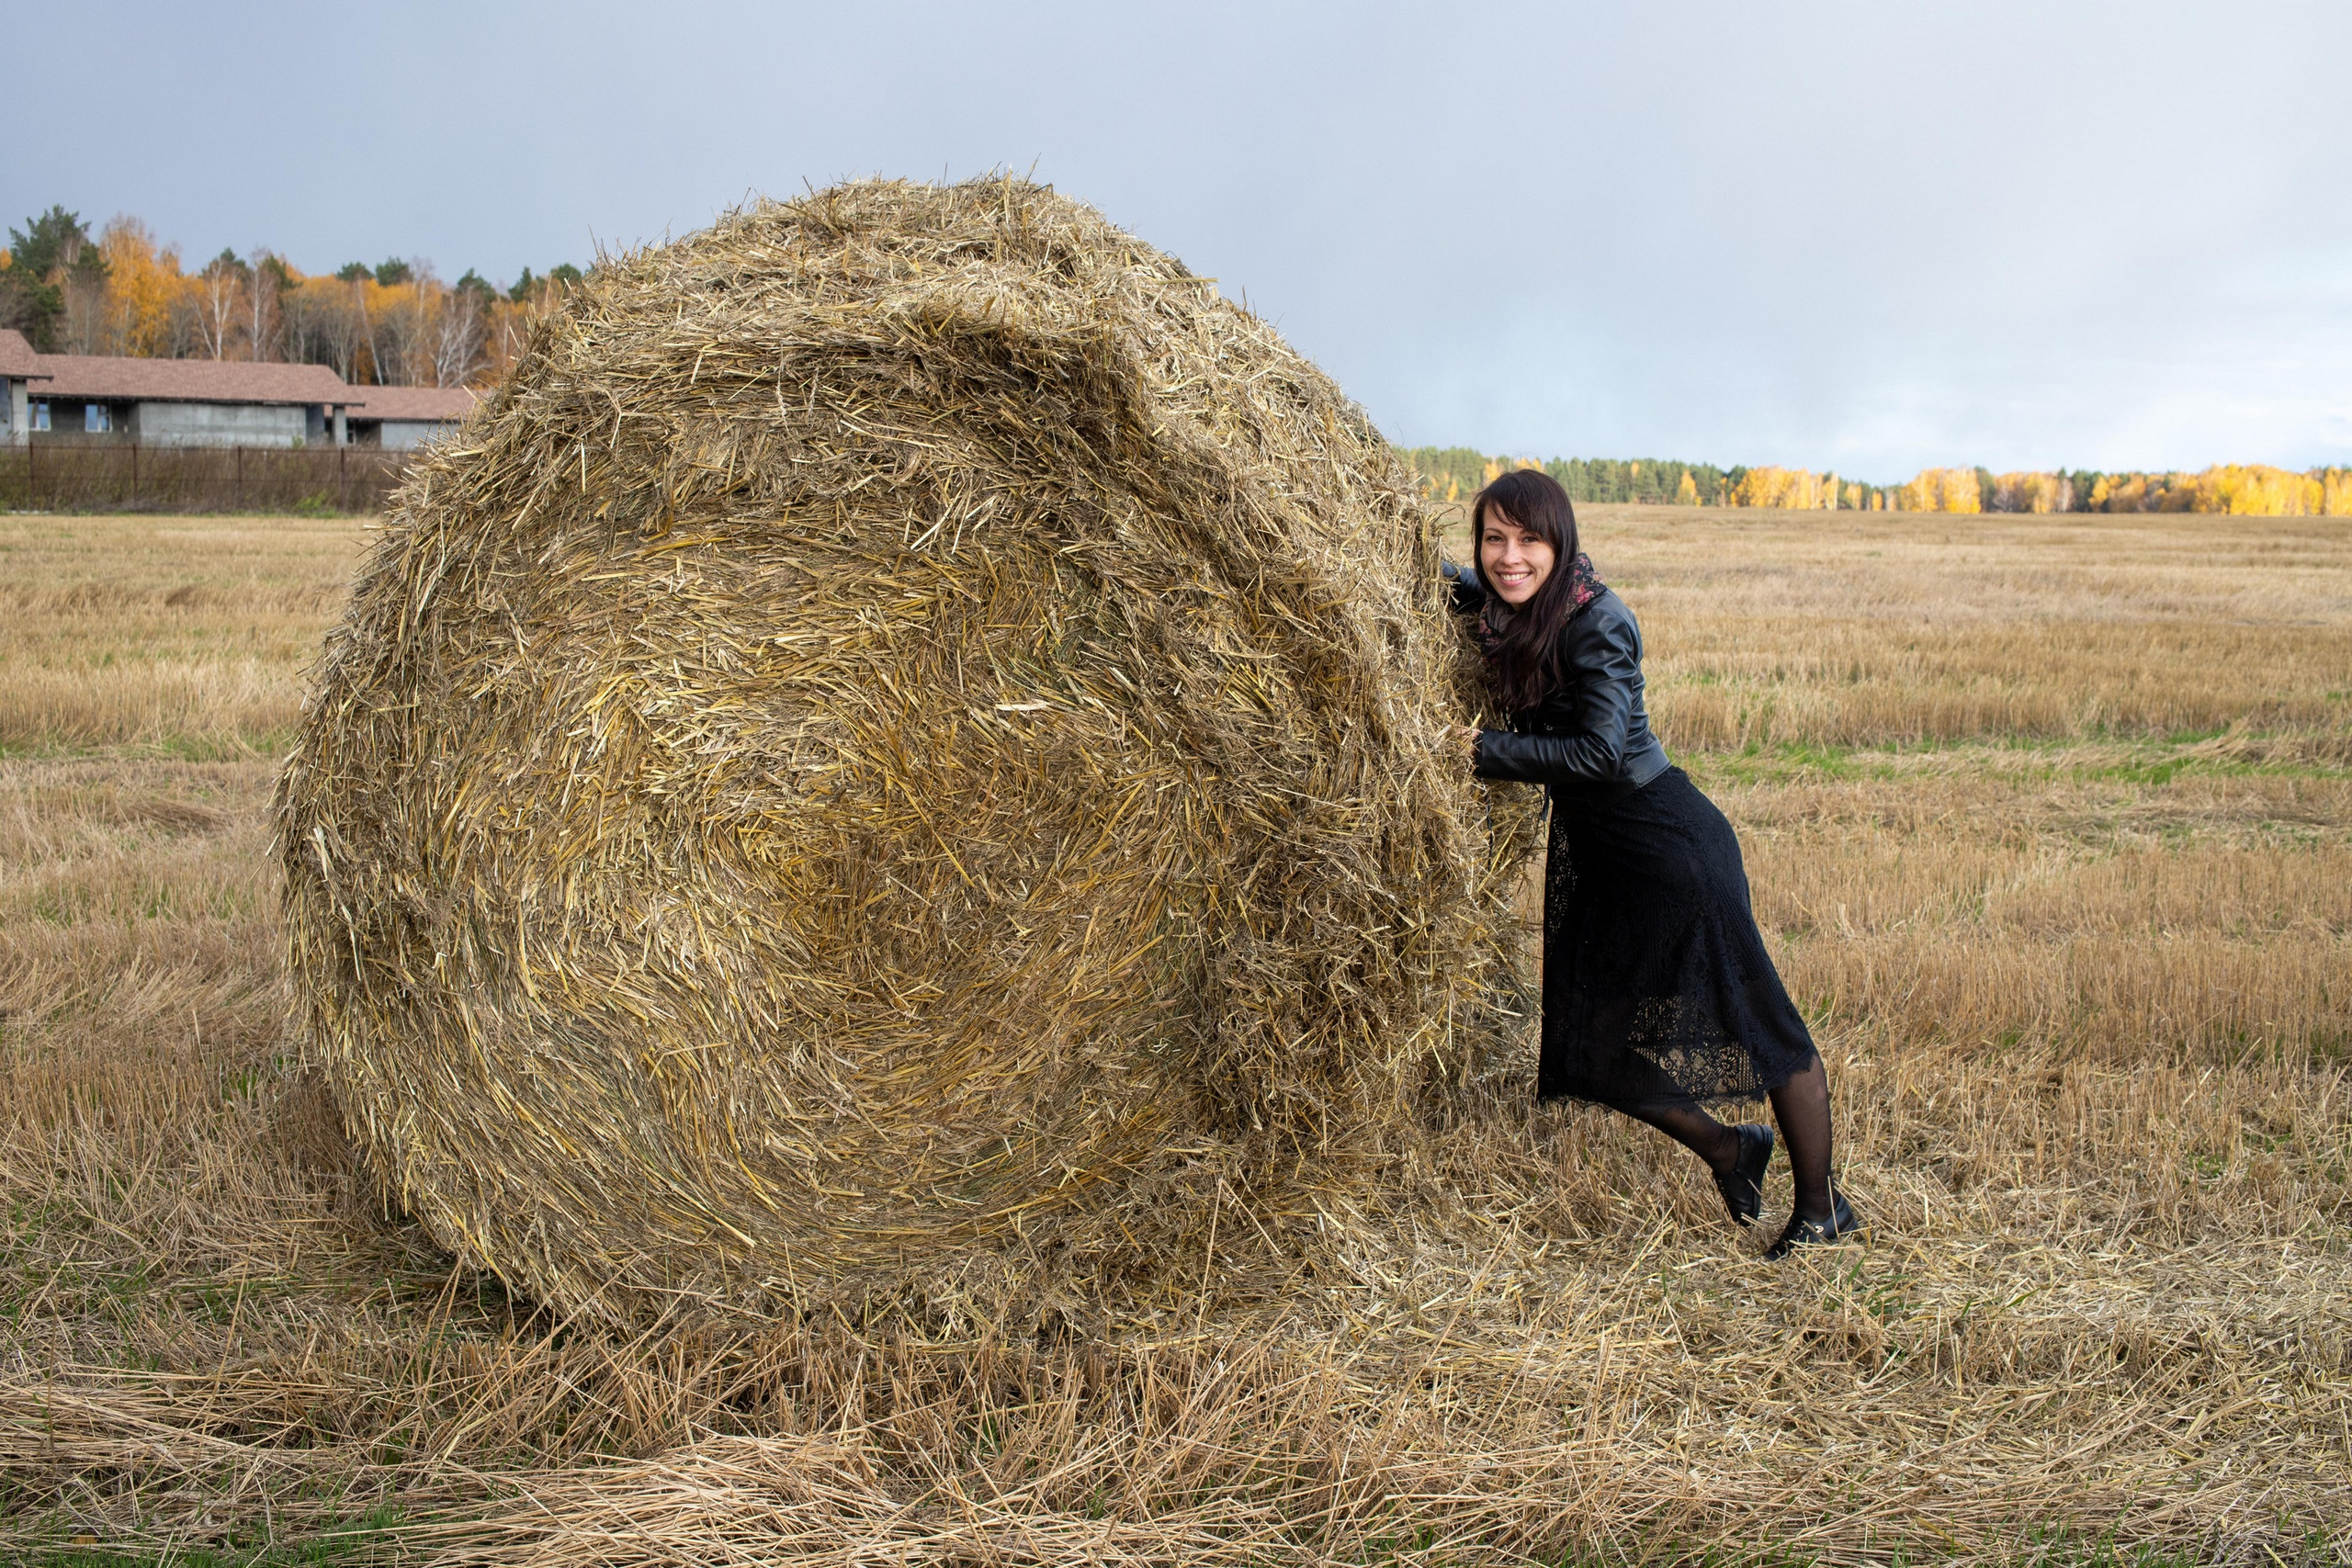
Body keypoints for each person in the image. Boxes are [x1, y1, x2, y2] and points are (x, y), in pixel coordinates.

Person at [1446, 468, 1860, 1258]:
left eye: (1529, 538)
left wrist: (1482, 751)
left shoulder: (1598, 620)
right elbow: (1465, 586)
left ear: (1560, 542)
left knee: (1759, 1019)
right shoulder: (1510, 608)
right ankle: (1729, 1148)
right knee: (1590, 1042)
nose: (1509, 556)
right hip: (1602, 851)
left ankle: (1821, 1207)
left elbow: (1601, 751)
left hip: (1667, 843)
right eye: (1494, 537)